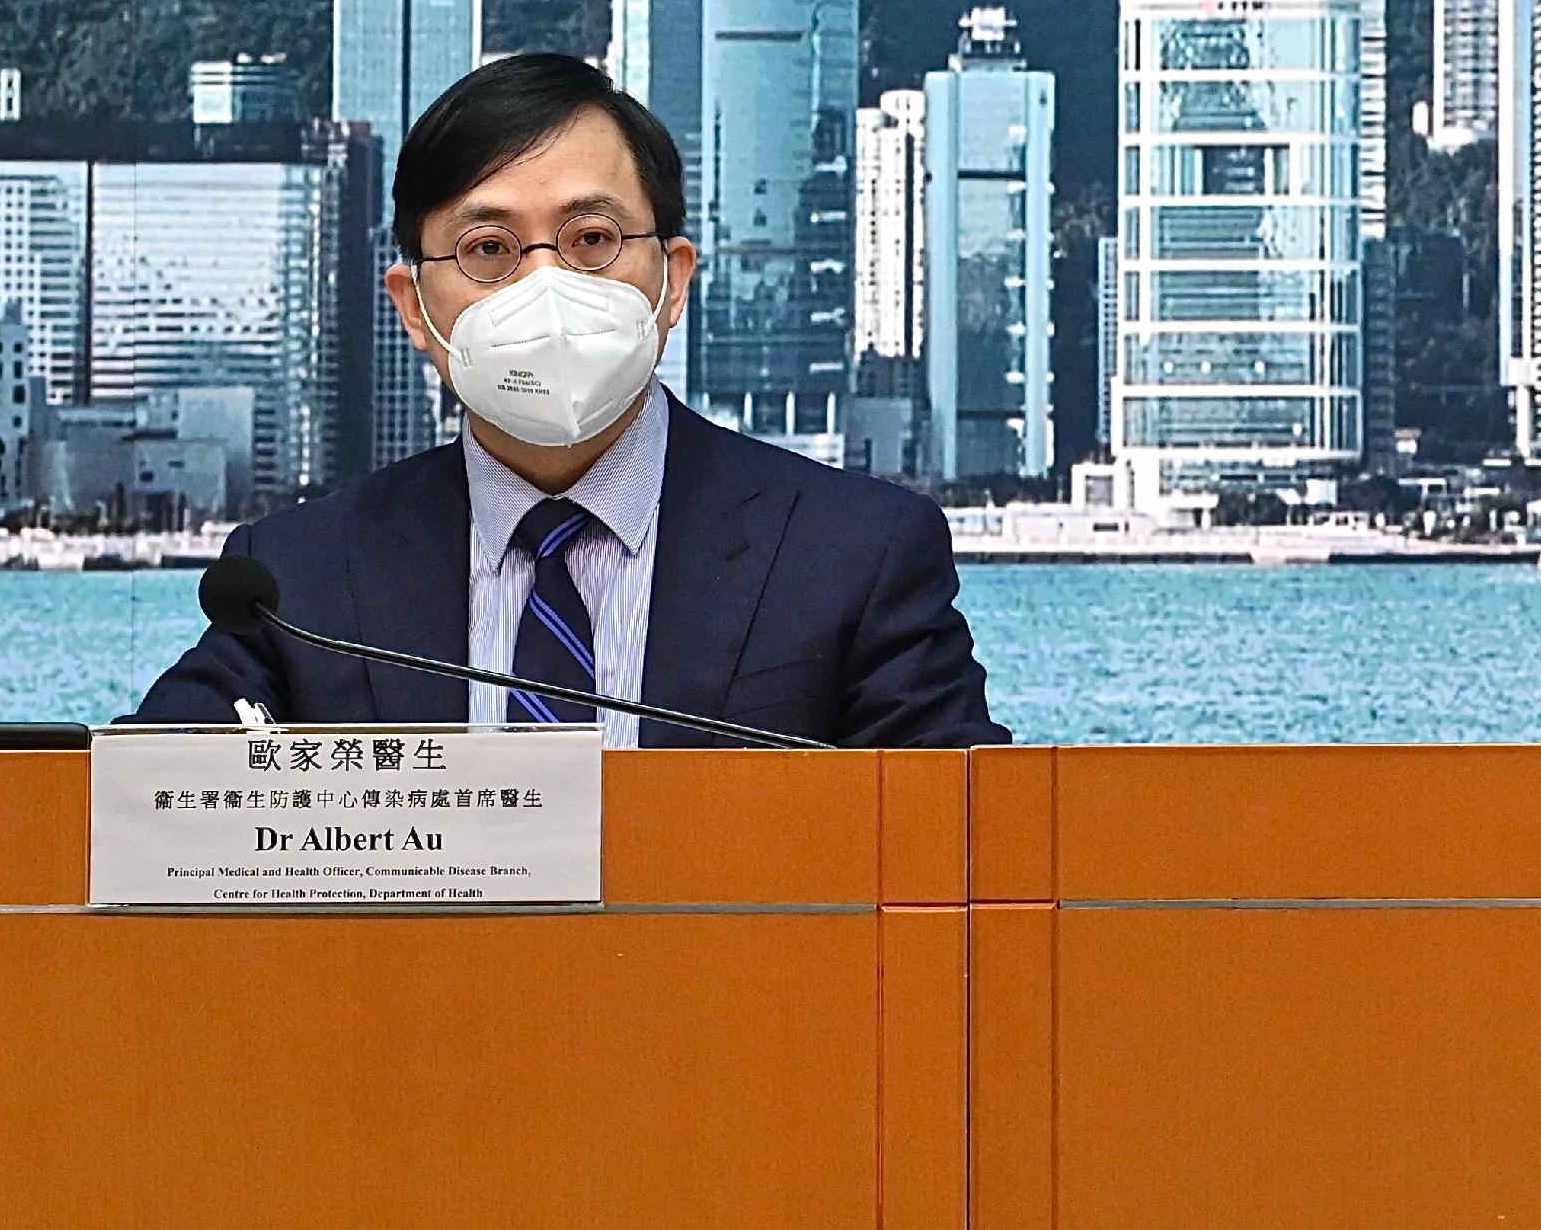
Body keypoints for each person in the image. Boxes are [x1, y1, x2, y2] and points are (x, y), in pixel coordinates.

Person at [137, 52, 1004, 746]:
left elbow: (971, 852)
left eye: (592, 240)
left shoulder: (854, 553)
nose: (546, 285)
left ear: (672, 281)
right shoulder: (297, 580)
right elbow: (130, 812)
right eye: (489, 248)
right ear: (413, 307)